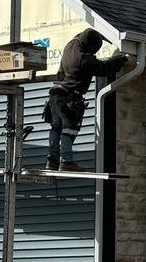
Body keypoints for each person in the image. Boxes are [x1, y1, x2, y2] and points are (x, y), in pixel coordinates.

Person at [41, 29, 129, 171]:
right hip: (69, 97)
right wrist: (123, 59)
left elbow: (85, 34)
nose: (93, 54)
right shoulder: (84, 59)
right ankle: (66, 162)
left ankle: (52, 161)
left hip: (55, 95)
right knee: (69, 129)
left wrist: (106, 35)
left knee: (56, 128)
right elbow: (105, 69)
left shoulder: (72, 44)